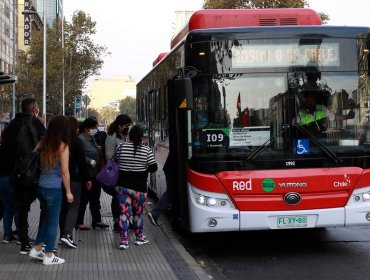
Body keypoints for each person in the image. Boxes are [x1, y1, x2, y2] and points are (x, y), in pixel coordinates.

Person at [2, 98, 45, 254]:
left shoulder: (11, 126)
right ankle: (33, 241)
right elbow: (45, 144)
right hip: (32, 173)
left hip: (12, 174)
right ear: (34, 110)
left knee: (17, 208)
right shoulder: (36, 124)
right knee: (38, 207)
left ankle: (22, 241)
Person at [28, 116, 73, 265]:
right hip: (54, 189)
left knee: (46, 219)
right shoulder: (62, 146)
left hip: (40, 187)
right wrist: (68, 192)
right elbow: (65, 172)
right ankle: (48, 255)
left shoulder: (42, 144)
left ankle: (37, 249)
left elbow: (32, 159)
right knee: (53, 222)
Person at [115, 125, 157, 250]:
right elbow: (154, 167)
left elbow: (116, 161)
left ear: (130, 135)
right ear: (141, 136)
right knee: (138, 214)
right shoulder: (146, 150)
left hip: (123, 187)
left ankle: (124, 241)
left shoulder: (121, 148)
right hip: (140, 189)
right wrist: (143, 167)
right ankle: (139, 237)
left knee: (124, 214)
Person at [59, 117, 92, 248]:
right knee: (73, 207)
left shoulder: (58, 141)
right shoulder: (76, 142)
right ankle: (67, 234)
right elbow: (82, 163)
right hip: (74, 179)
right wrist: (88, 178)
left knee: (63, 207)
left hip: (59, 180)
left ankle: (63, 233)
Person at [76, 117, 108, 230]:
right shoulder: (80, 139)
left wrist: (98, 149)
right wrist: (90, 160)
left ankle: (97, 220)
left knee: (95, 198)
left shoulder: (91, 138)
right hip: (87, 174)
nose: (95, 129)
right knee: (84, 198)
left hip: (96, 173)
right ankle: (79, 222)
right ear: (86, 129)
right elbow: (78, 155)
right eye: (93, 127)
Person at [104, 114, 132, 232]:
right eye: (126, 126)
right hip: (116, 171)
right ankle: (117, 221)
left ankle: (125, 219)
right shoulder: (112, 137)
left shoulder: (125, 135)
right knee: (117, 196)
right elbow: (109, 156)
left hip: (126, 171)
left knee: (124, 196)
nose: (128, 128)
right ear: (120, 125)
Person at [148, 135, 178, 227]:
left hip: (170, 168)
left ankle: (175, 220)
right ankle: (155, 213)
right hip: (173, 169)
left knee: (172, 193)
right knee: (170, 192)